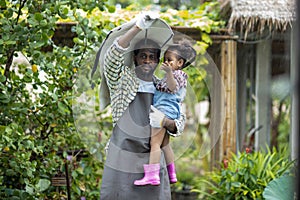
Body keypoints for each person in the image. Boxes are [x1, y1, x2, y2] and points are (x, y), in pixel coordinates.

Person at [99, 13, 186, 200]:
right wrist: (137, 27)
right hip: (122, 153)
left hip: (151, 159)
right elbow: (111, 59)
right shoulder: (121, 82)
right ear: (135, 58)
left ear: (158, 61)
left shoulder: (163, 87)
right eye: (143, 56)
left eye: (152, 57)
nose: (147, 61)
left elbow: (179, 122)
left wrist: (166, 121)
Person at [134, 40, 196, 186]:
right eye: (164, 60)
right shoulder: (173, 74)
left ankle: (152, 175)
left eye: (170, 60)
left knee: (154, 143)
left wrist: (169, 73)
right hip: (168, 112)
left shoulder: (178, 75)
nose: (166, 63)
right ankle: (172, 173)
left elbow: (172, 87)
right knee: (165, 144)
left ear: (180, 62)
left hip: (162, 112)